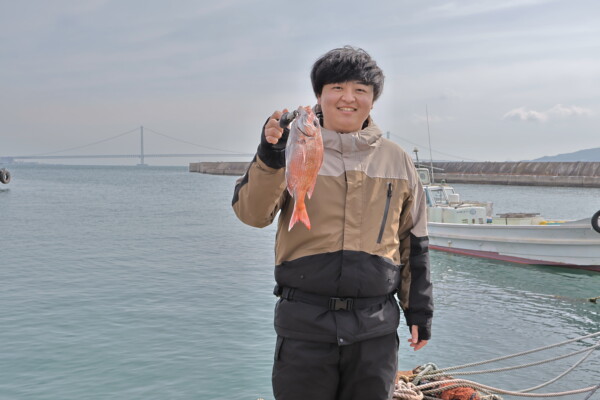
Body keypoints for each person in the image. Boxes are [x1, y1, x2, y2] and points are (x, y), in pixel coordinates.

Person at [232, 46, 433, 400]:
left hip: (375, 329)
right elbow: (253, 215)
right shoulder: (294, 145)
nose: (348, 98)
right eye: (337, 88)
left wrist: (418, 309)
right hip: (304, 325)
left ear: (373, 100)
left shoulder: (397, 159)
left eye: (360, 90)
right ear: (319, 97)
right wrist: (270, 156)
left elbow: (413, 239)